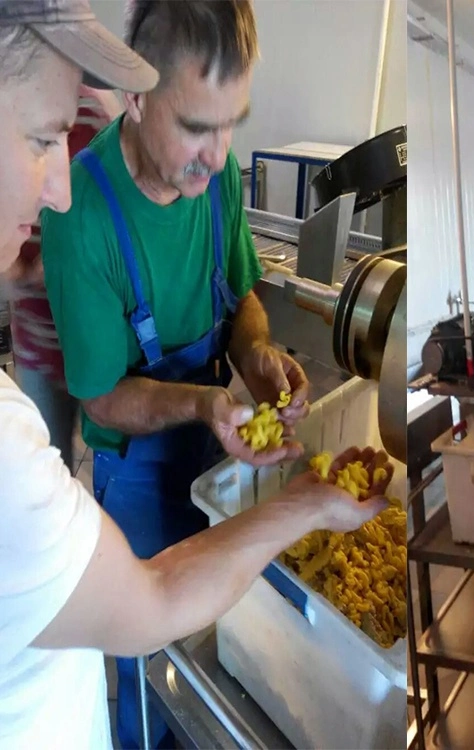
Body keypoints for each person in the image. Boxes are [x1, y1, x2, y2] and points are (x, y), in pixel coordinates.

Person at [0, 3, 392, 749]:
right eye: (195, 127)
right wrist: (208, 403)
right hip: (139, 479)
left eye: (230, 124)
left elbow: (239, 293)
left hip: (217, 456)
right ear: (138, 98)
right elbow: (100, 392)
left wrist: (257, 358)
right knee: (149, 664)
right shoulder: (80, 212)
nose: (216, 156)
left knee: (230, 646)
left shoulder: (217, 177)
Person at [5, 85, 122, 472]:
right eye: (42, 143)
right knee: (50, 467)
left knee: (114, 461)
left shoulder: (96, 112)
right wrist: (30, 275)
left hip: (99, 341)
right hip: (40, 344)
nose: (61, 198)